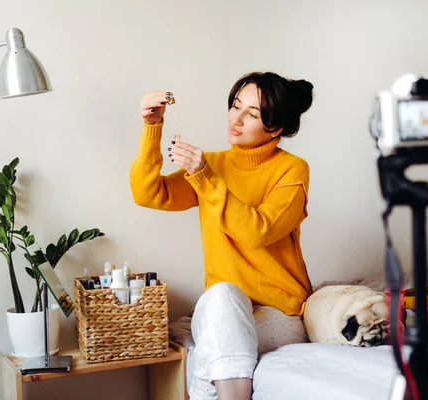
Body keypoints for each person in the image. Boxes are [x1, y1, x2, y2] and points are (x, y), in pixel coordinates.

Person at [130, 72, 314, 400]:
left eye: (252, 115)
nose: (237, 119)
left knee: (208, 352)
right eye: (235, 106)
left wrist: (205, 178)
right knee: (220, 296)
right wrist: (152, 128)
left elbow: (257, 231)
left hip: (279, 314)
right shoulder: (213, 165)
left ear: (277, 127)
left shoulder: (293, 170)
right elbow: (149, 193)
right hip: (222, 306)